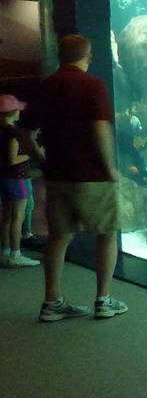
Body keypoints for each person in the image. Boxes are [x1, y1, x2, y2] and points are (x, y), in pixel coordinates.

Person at [36, 34, 126, 320]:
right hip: (92, 175)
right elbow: (100, 128)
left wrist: (42, 161)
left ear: (60, 55)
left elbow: (23, 131)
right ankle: (103, 300)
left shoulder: (45, 86)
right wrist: (110, 168)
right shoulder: (93, 85)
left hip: (57, 174)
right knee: (107, 234)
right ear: (88, 56)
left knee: (58, 238)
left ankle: (52, 303)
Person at [1, 93, 42, 268]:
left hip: (3, 178)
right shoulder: (12, 133)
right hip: (16, 178)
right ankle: (16, 254)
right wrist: (33, 152)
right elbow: (12, 159)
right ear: (13, 112)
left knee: (7, 217)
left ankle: (5, 251)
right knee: (18, 217)